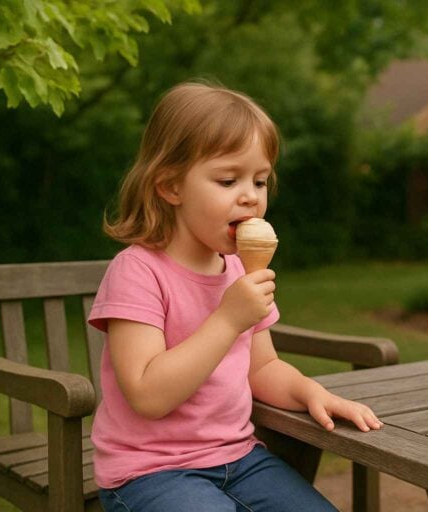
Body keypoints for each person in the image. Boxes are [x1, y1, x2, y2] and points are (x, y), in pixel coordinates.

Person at [88, 81, 383, 512]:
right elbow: (148, 396)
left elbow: (262, 368)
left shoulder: (241, 270)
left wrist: (309, 392)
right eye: (228, 180)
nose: (250, 196)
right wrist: (227, 320)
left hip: (240, 458)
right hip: (149, 471)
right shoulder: (137, 271)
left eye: (260, 181)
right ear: (171, 186)